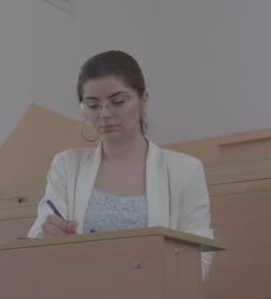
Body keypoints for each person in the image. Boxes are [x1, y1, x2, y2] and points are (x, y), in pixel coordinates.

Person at [27, 50, 214, 276]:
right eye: (93, 105)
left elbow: (200, 260)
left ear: (143, 100)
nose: (105, 114)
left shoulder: (185, 170)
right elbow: (36, 244)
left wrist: (132, 262)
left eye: (117, 101)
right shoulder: (66, 165)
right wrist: (46, 236)